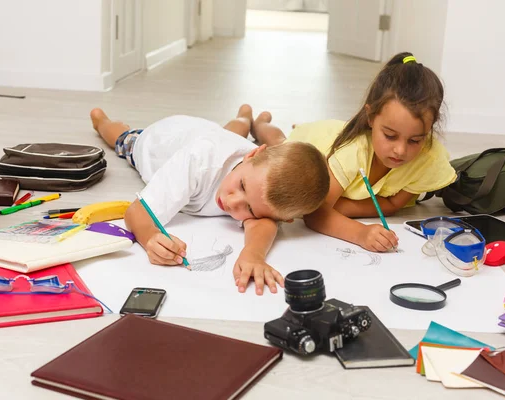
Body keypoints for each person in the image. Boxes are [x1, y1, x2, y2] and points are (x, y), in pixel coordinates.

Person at [90, 105, 330, 295]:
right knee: (123, 140)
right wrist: (149, 237)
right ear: (252, 154)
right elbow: (135, 213)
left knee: (229, 132)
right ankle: (102, 120)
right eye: (242, 185)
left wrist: (253, 254)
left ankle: (244, 116)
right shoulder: (198, 163)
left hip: (214, 135)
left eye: (250, 209)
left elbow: (264, 224)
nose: (232, 202)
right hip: (159, 138)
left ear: (286, 219)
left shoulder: (258, 182)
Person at [244, 52, 456, 253]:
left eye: (415, 140)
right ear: (370, 117)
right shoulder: (353, 151)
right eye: (390, 135)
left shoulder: (428, 158)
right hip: (316, 144)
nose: (400, 150)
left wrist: (334, 207)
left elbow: (392, 205)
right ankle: (258, 123)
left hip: (338, 187)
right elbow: (314, 214)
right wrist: (360, 233)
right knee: (279, 142)